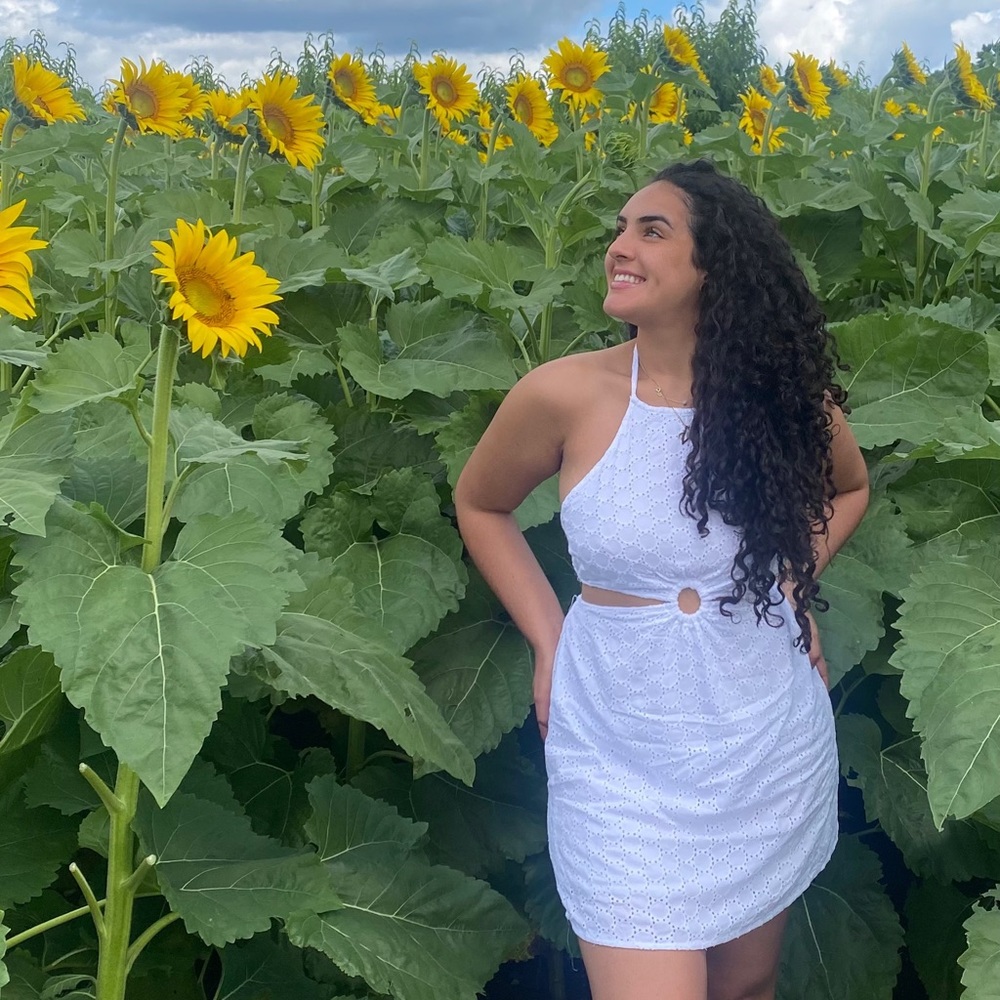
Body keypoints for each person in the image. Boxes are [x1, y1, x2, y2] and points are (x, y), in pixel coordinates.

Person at [454, 158, 869, 1000]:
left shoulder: (781, 398)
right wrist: (548, 635)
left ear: (717, 265)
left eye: (651, 230)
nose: (619, 247)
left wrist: (788, 579)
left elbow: (849, 487)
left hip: (759, 733)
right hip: (619, 742)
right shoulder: (565, 393)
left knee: (745, 986)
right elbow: (480, 503)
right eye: (618, 228)